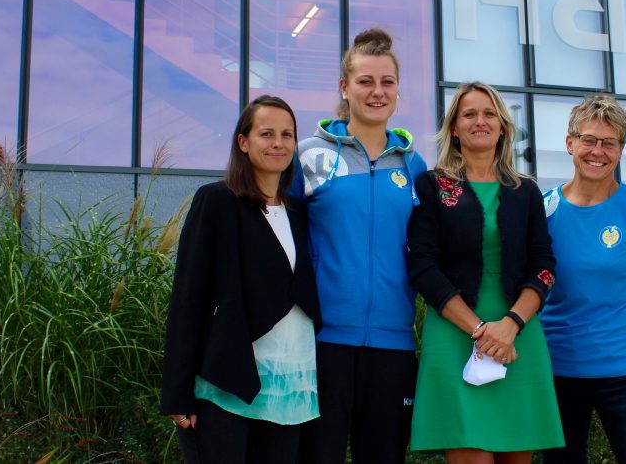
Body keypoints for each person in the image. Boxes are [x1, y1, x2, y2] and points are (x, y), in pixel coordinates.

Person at [407, 81, 564, 463]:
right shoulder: (432, 186)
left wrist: (509, 325)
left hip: (518, 338)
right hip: (455, 335)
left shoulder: (525, 190)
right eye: (470, 114)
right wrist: (481, 331)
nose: (481, 121)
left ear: (503, 126)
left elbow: (543, 267)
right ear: (455, 128)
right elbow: (423, 266)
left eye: (489, 113)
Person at [160, 95, 322, 463]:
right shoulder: (216, 201)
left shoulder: (298, 213)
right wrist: (177, 393)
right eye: (266, 134)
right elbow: (189, 298)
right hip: (226, 381)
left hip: (289, 388)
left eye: (287, 134)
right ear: (243, 142)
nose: (278, 143)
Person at [296, 28, 427, 464]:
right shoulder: (308, 155)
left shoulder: (413, 164)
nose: (377, 92)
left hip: (393, 344)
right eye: (366, 82)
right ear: (344, 88)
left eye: (387, 82)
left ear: (397, 90)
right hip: (322, 340)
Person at [540, 94, 626, 464]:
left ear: (620, 150)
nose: (598, 151)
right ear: (570, 143)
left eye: (609, 143)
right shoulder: (543, 209)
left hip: (623, 370)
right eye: (589, 140)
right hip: (556, 369)